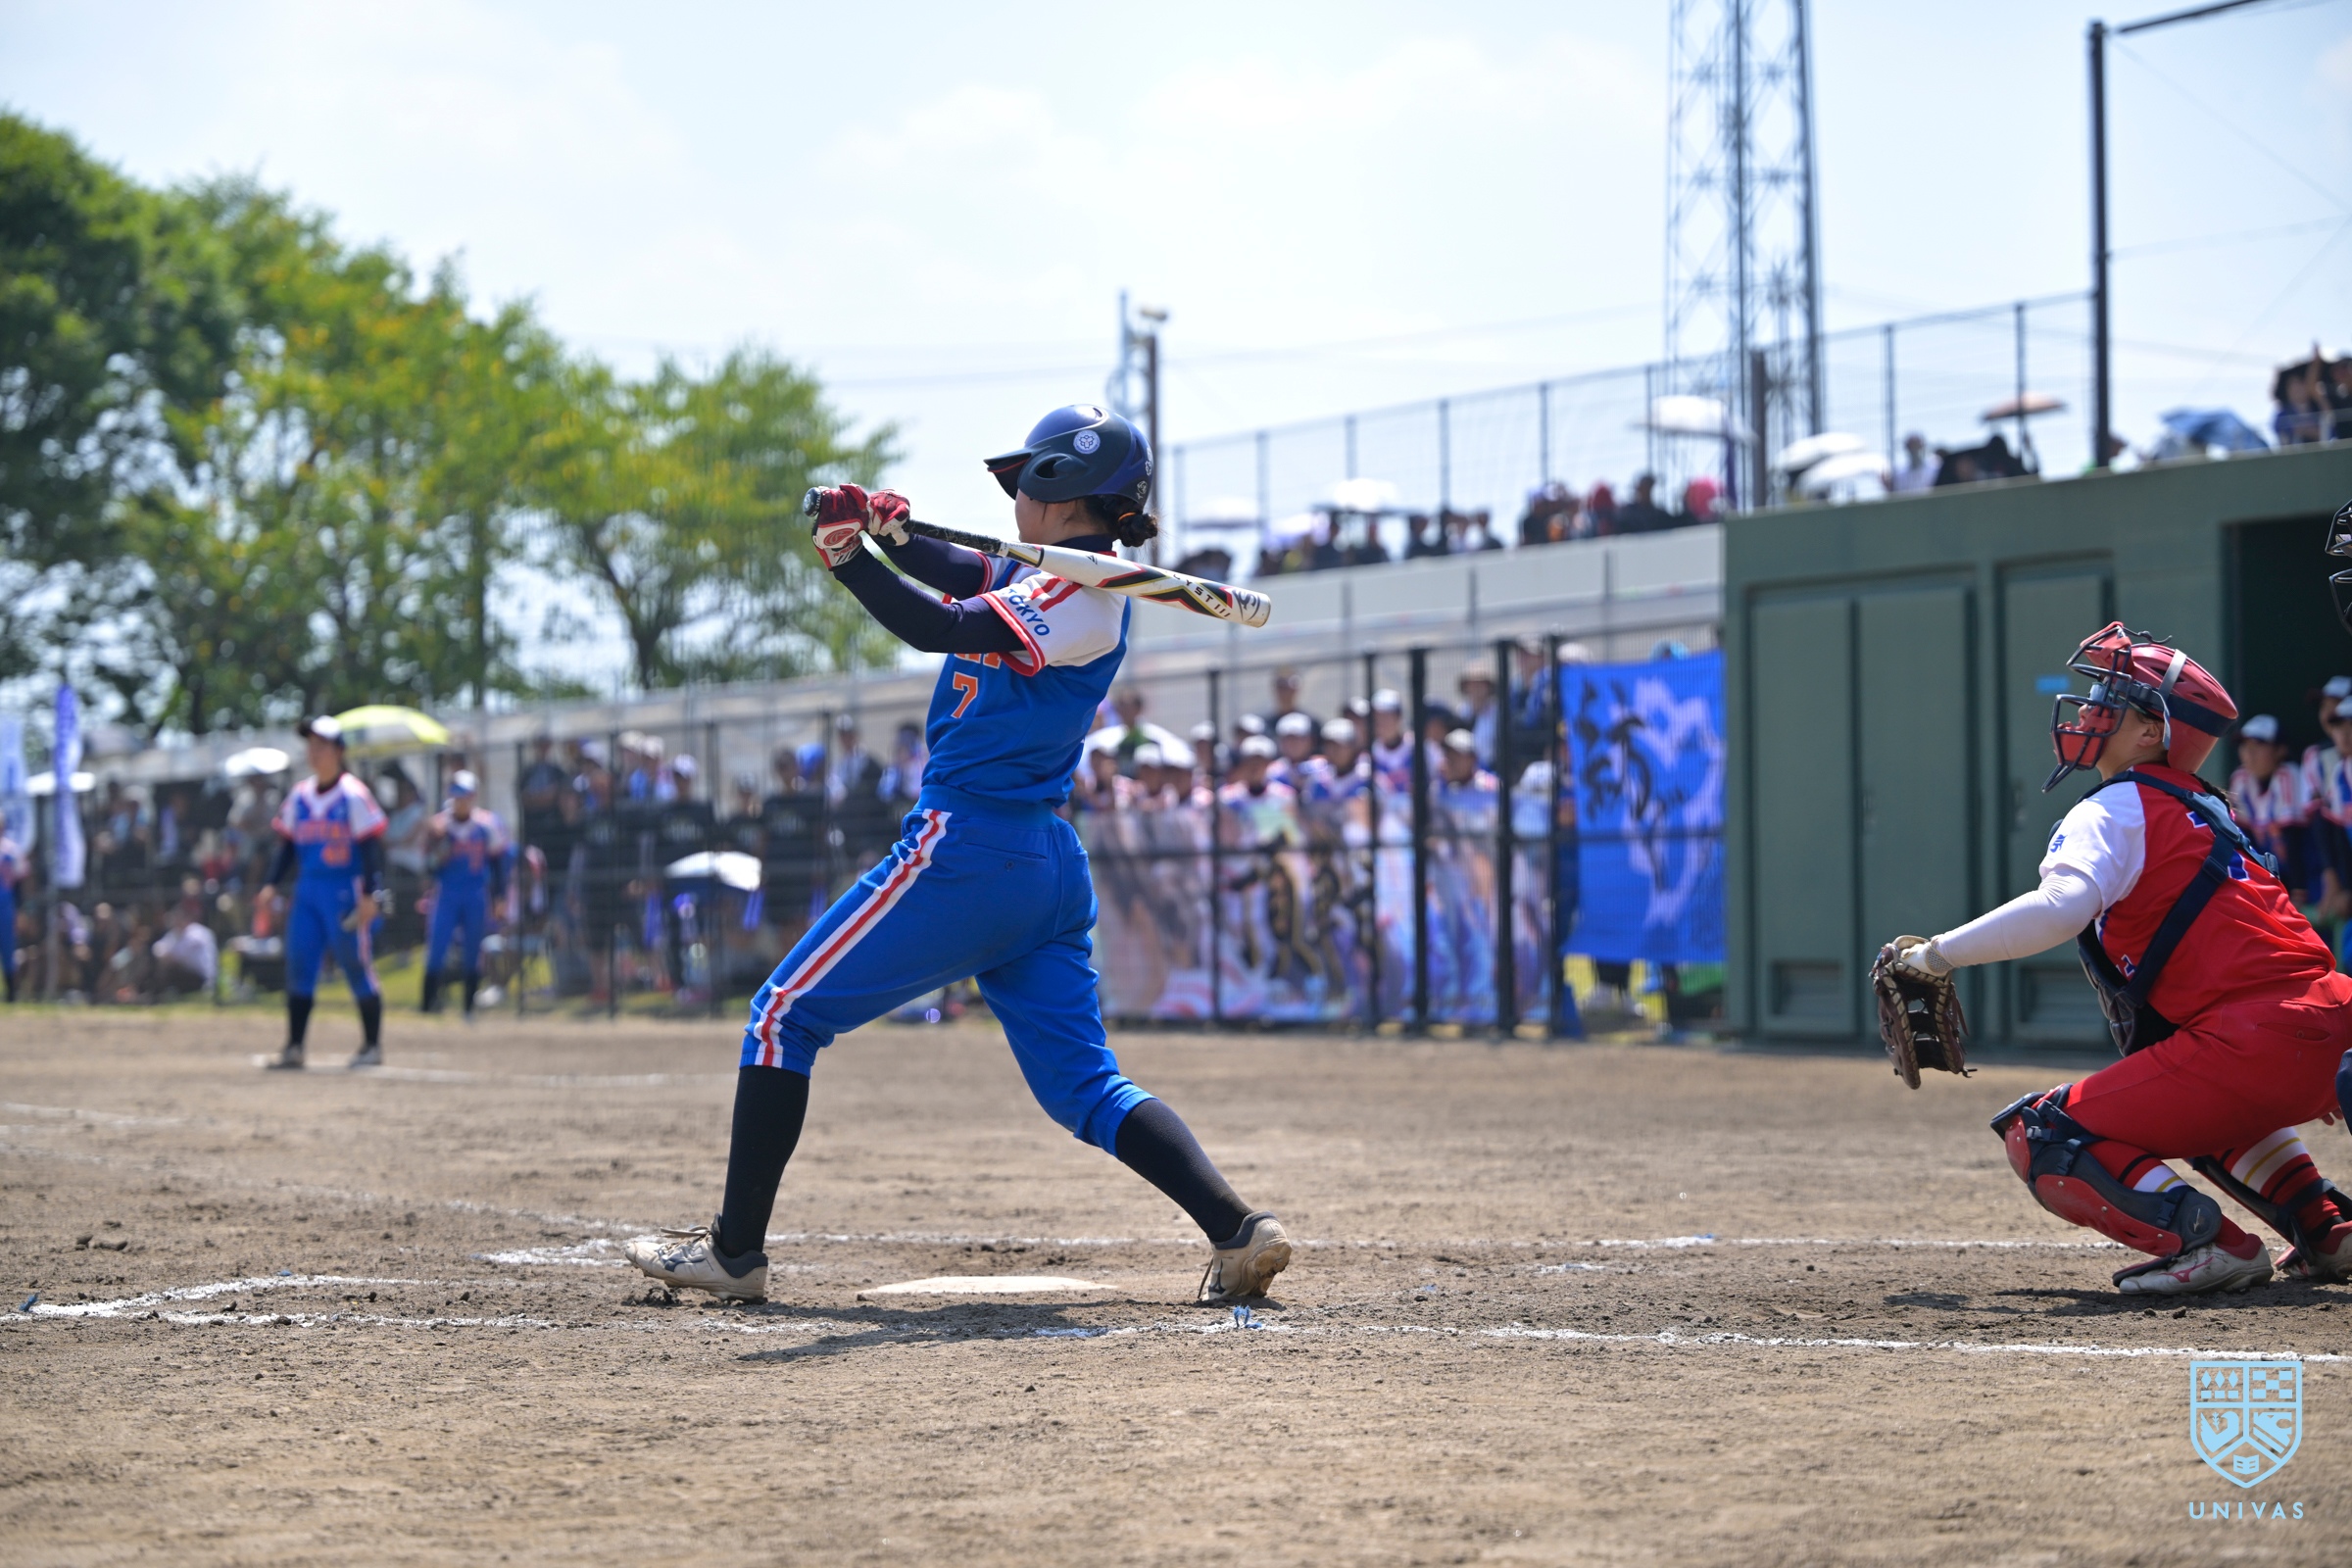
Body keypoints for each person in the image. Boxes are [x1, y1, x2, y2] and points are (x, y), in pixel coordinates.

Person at [623, 404, 1293, 1306]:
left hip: (972, 847)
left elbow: (938, 626)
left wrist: (850, 559)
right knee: (1085, 1088)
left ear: (1060, 487)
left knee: (782, 1015)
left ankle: (736, 1252)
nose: (1016, 493)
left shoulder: (1081, 604)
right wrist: (896, 534)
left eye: (1027, 479)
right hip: (1042, 866)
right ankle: (1238, 1230)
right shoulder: (1052, 576)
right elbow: (960, 572)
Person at [1879, 624, 2352, 1296]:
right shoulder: (2209, 806)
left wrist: (1936, 955)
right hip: (2331, 1023)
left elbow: (2059, 907)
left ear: (2152, 731)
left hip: (2253, 1039)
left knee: (2041, 1134)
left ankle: (2213, 1245)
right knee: (2190, 1097)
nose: (2091, 707)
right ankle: (2327, 1228)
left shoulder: (2119, 802)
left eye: (2111, 697)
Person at [262, 716, 390, 1070]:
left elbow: (371, 847)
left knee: (355, 963)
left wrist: (372, 893)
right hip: (308, 890)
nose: (314, 752)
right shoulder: (299, 795)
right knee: (300, 962)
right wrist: (271, 884)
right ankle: (294, 1047)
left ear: (338, 751)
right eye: (311, 745)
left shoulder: (352, 794)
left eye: (322, 745)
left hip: (344, 889)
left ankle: (372, 1046)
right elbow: (287, 846)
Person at [420, 770, 510, 1019]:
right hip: (446, 893)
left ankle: (469, 1006)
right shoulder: (440, 826)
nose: (461, 800)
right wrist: (438, 852)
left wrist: (500, 896)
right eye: (457, 795)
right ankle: (427, 1003)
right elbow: (428, 865)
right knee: (437, 947)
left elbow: (498, 863)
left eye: (466, 795)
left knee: (473, 949)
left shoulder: (486, 824)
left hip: (475, 893)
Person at [2230, 715, 2314, 911]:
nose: (2249, 753)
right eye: (2245, 746)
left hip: (2308, 875)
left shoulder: (2287, 774)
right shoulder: (2241, 779)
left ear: (2280, 750)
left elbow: (2293, 839)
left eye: (2258, 745)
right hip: (2273, 874)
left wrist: (2298, 892)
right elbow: (2245, 842)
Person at [150, 902, 218, 999]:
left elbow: (178, 955)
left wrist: (166, 956)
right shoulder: (175, 933)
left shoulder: (197, 932)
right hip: (185, 974)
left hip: (201, 978)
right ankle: (156, 994)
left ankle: (160, 995)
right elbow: (157, 949)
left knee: (170, 968)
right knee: (158, 964)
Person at [0, 824, 24, 1004]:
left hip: (6, 904)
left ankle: (11, 993)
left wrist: (21, 909)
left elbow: (21, 880)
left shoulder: (11, 849)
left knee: (8, 948)